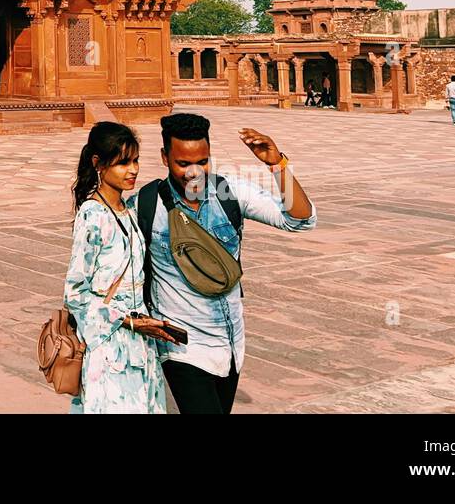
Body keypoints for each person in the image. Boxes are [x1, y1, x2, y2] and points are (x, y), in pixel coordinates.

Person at [137, 112, 317, 414]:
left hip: (230, 342)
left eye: (203, 162)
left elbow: (299, 220)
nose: (194, 172)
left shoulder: (229, 193)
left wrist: (277, 165)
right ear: (165, 158)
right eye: (183, 163)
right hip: (181, 345)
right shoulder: (145, 205)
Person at [64, 121, 171, 413]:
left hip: (142, 343)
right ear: (98, 164)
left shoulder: (130, 210)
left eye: (135, 160)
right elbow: (74, 294)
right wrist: (127, 320)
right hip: (111, 344)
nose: (133, 170)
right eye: (123, 162)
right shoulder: (93, 215)